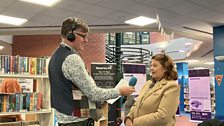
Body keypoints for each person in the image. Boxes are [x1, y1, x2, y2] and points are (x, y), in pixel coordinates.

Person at [48, 17, 135, 125]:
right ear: (71, 35)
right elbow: (93, 94)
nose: (86, 40)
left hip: (65, 120)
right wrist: (120, 91)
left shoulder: (55, 56)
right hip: (78, 122)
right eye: (83, 36)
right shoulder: (71, 59)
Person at [124, 53, 180, 126]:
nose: (151, 68)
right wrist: (129, 118)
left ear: (165, 68)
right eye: (151, 65)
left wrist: (134, 122)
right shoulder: (148, 84)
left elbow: (162, 116)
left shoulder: (171, 87)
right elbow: (137, 104)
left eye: (155, 65)